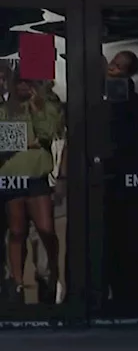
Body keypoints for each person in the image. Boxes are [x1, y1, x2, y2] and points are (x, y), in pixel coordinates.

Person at [1, 74, 64, 305]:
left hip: (37, 176)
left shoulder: (46, 105)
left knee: (46, 229)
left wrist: (37, 110)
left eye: (29, 82)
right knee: (16, 231)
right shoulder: (6, 108)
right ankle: (16, 284)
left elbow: (49, 133)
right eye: (19, 82)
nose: (24, 86)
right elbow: (3, 139)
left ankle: (50, 279)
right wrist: (28, 141)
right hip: (10, 175)